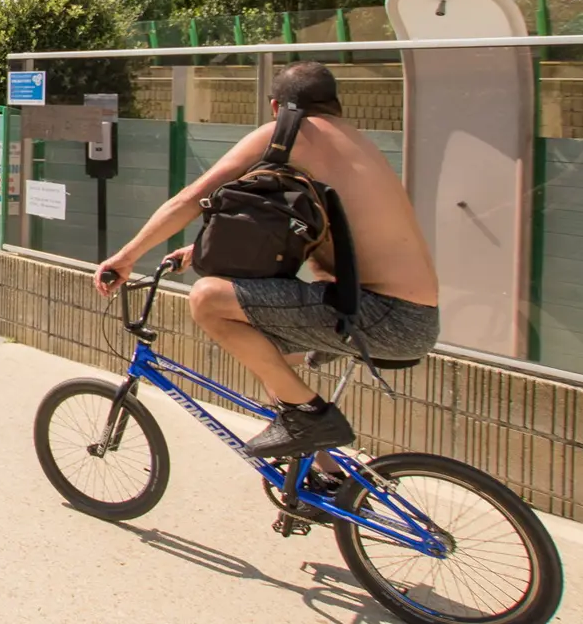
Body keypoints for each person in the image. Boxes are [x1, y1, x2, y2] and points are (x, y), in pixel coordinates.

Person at [94, 62, 440, 460]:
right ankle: (323, 475)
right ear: (335, 105)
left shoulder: (291, 133)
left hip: (381, 314)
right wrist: (197, 251)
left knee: (207, 299)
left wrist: (125, 258)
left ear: (278, 106)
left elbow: (192, 198)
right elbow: (306, 228)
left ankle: (313, 417)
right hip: (407, 315)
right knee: (273, 364)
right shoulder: (358, 143)